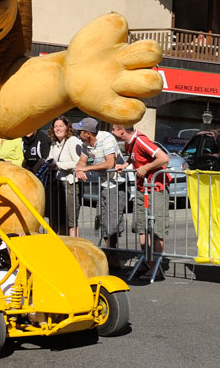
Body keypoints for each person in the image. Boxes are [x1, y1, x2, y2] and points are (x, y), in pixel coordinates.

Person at [112, 124, 170, 280]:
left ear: (121, 130)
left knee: (156, 229)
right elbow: (134, 160)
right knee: (142, 227)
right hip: (141, 189)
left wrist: (146, 168)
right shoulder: (128, 143)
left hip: (155, 189)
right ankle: (147, 262)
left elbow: (164, 158)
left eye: (113, 129)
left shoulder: (141, 140)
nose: (112, 132)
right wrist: (125, 165)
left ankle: (156, 267)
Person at [74, 117, 124, 251]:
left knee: (112, 221)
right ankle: (109, 252)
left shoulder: (106, 138)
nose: (78, 134)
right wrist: (79, 170)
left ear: (88, 133)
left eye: (80, 131)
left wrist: (86, 168)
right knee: (102, 219)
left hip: (117, 184)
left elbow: (109, 163)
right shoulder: (86, 144)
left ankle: (113, 254)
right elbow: (81, 162)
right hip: (104, 184)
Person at [46, 116, 83, 236]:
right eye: (55, 126)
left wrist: (58, 165)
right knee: (59, 220)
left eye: (61, 126)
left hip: (70, 185)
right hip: (57, 184)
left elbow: (78, 162)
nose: (58, 129)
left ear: (67, 128)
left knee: (71, 221)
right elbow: (50, 159)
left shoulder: (73, 141)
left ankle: (76, 249)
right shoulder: (55, 143)